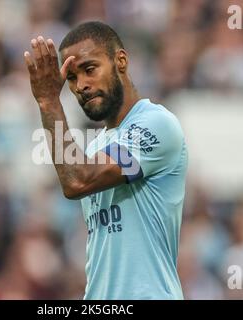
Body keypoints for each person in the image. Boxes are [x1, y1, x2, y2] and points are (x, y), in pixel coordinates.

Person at [24, 21, 188, 300]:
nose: (81, 86)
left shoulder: (157, 123)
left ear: (120, 61)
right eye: (72, 78)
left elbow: (78, 181)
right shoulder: (98, 146)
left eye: (90, 69)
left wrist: (49, 101)